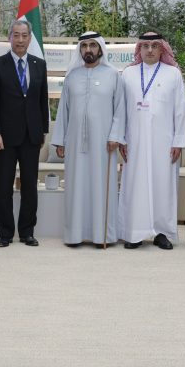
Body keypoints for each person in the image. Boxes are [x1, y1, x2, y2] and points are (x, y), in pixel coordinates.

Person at [52, 32, 126, 247]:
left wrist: (115, 136)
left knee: (101, 187)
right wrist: (60, 141)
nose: (88, 50)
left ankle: (102, 235)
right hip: (75, 143)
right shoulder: (72, 77)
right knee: (76, 187)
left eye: (93, 45)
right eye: (84, 46)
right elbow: (63, 112)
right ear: (80, 50)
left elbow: (120, 109)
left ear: (100, 49)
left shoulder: (113, 75)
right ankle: (75, 235)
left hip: (104, 144)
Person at [118, 32, 185, 250]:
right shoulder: (128, 74)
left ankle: (162, 232)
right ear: (139, 48)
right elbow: (120, 110)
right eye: (145, 45)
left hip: (164, 142)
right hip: (134, 139)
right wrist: (121, 138)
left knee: (162, 184)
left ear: (161, 49)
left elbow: (180, 110)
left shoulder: (173, 74)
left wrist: (178, 141)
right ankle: (134, 232)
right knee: (134, 184)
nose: (149, 50)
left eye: (154, 45)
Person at [0, 19, 49, 248]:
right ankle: (5, 233)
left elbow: (42, 101)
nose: (20, 39)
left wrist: (43, 130)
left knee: (30, 186)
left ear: (29, 38)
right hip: (5, 137)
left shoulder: (39, 64)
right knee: (4, 186)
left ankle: (27, 232)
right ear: (9, 37)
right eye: (16, 35)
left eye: (24, 35)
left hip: (32, 136)